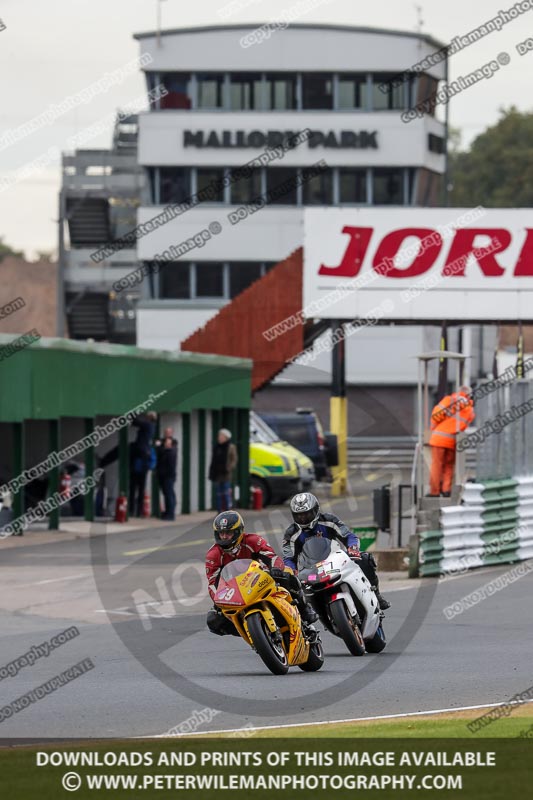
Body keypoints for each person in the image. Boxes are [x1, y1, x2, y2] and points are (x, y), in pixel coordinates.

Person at [205, 510, 318, 637]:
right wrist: (218, 600)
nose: (224, 537)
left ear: (238, 532)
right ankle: (251, 633)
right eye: (221, 533)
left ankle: (304, 609)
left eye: (228, 533)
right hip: (238, 590)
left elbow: (272, 557)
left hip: (262, 578)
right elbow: (212, 583)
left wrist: (275, 568)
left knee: (288, 574)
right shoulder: (213, 554)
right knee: (213, 620)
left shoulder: (253, 540)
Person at [282, 492, 391, 611]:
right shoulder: (291, 533)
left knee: (365, 559)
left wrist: (353, 548)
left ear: (316, 510)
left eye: (307, 514)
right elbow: (288, 558)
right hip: (310, 571)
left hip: (335, 562)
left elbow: (349, 536)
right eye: (299, 515)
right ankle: (306, 617)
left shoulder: (329, 520)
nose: (303, 518)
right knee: (289, 582)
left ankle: (377, 595)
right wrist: (292, 571)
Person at [429, 385, 475, 497]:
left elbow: (436, 415)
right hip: (453, 440)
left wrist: (434, 428)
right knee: (449, 466)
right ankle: (446, 490)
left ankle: (434, 492)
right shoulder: (470, 409)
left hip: (439, 438)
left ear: (458, 392)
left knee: (437, 465)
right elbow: (463, 426)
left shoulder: (449, 400)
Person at [129, 411, 157, 517]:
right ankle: (138, 511)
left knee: (134, 487)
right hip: (142, 462)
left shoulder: (148, 425)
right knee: (140, 488)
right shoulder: (151, 426)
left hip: (139, 461)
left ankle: (132, 510)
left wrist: (133, 412)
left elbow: (135, 421)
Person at [208, 428, 238, 512]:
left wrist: (229, 468)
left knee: (225, 493)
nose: (219, 438)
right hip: (217, 473)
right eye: (219, 436)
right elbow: (213, 460)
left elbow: (234, 460)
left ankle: (227, 510)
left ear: (226, 437)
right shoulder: (217, 447)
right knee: (218, 494)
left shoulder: (231, 447)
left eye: (221, 436)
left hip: (225, 473)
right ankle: (219, 511)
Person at [156, 427, 177, 520]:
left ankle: (170, 514)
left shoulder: (171, 451)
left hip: (168, 476)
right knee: (167, 494)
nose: (166, 444)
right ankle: (167, 513)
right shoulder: (166, 450)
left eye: (168, 443)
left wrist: (159, 446)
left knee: (169, 494)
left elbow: (161, 451)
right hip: (164, 475)